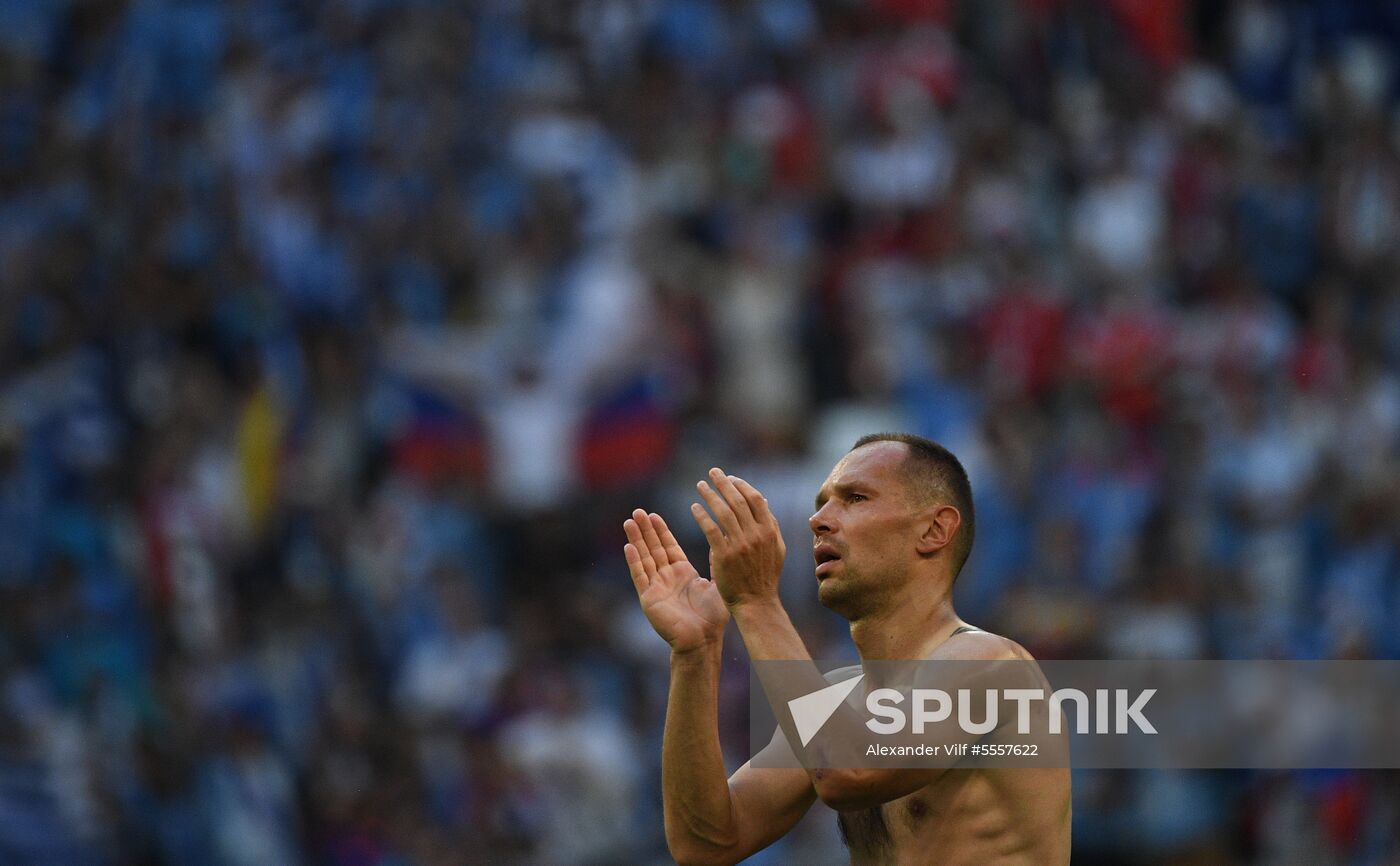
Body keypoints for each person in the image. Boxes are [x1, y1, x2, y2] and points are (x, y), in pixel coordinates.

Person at [622, 433, 1070, 865]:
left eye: (855, 498)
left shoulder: (991, 665)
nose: (818, 520)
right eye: (821, 504)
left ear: (935, 530)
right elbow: (707, 845)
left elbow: (849, 773)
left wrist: (757, 602)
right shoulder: (834, 700)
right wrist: (695, 652)